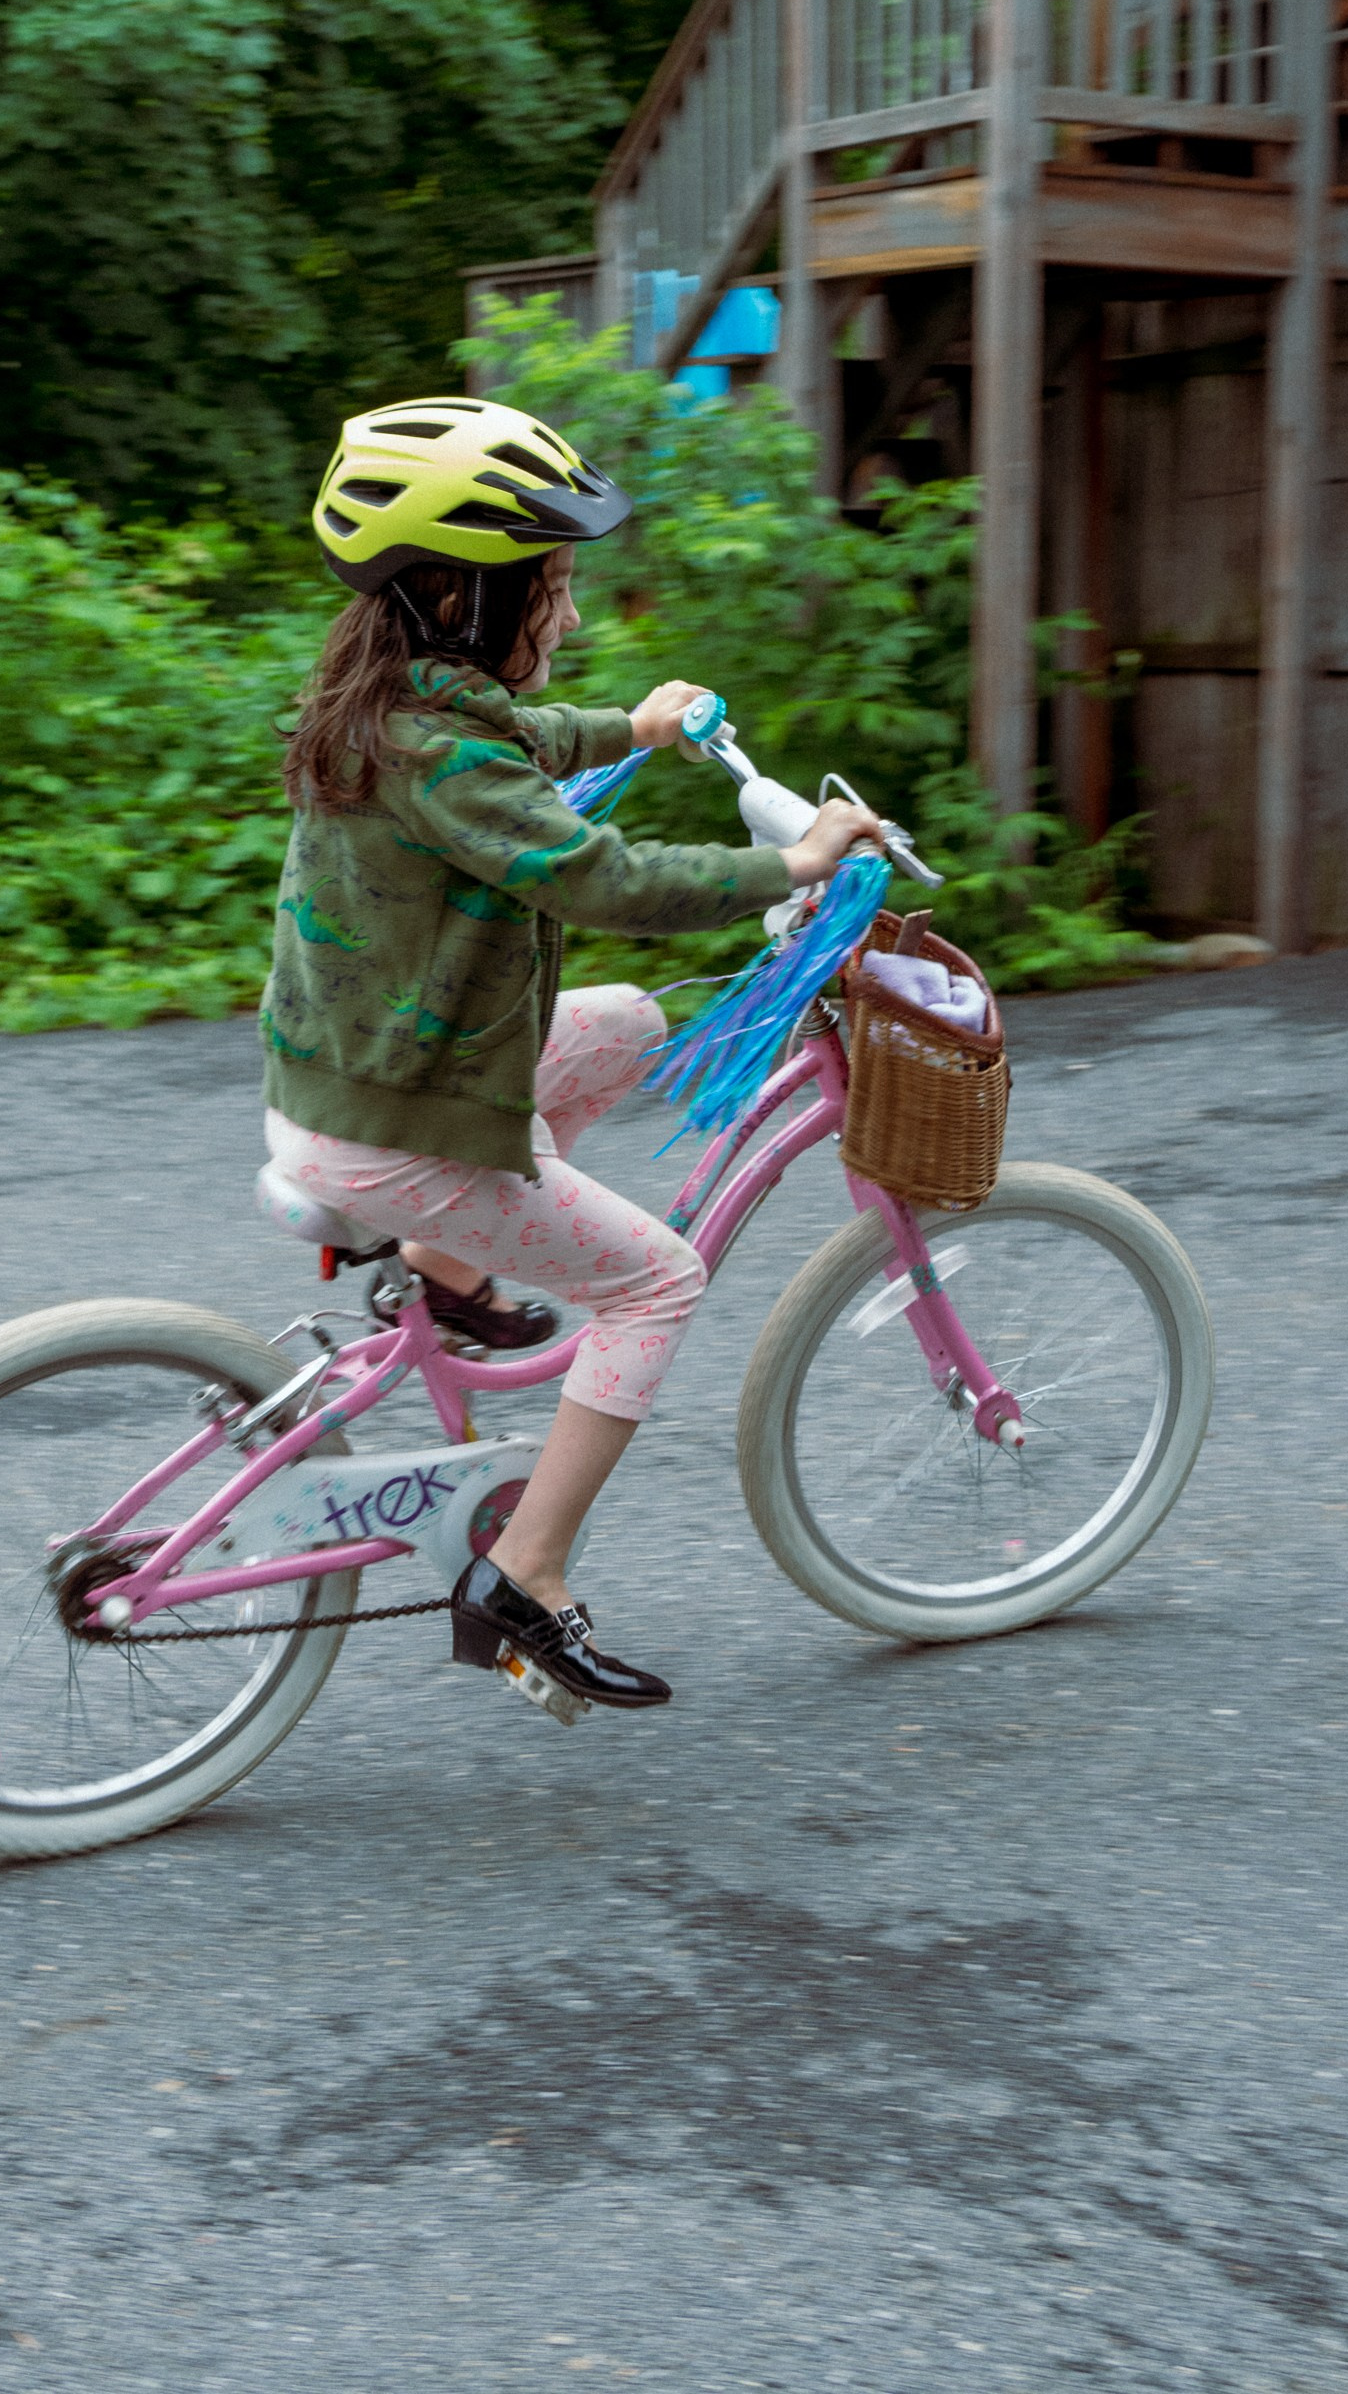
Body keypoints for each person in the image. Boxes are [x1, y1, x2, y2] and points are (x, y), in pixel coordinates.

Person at [261, 396, 885, 1712]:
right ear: (464, 597)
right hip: (391, 1129)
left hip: (360, 1079)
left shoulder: (400, 700)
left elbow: (529, 741)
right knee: (655, 1284)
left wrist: (637, 730)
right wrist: (793, 862)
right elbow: (600, 879)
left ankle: (443, 1275)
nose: (574, 615)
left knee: (622, 1021)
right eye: (552, 589)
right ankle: (524, 1579)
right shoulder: (445, 750)